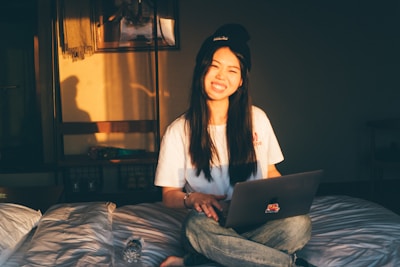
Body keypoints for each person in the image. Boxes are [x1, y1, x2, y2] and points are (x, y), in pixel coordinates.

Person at [154, 23, 311, 267]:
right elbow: (169, 195)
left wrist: (287, 198)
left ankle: (197, 262)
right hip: (210, 223)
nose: (221, 77)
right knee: (194, 227)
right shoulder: (179, 131)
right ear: (201, 71)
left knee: (299, 225)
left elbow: (270, 172)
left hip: (257, 219)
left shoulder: (257, 118)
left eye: (232, 70)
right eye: (214, 67)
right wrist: (192, 198)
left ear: (240, 81)